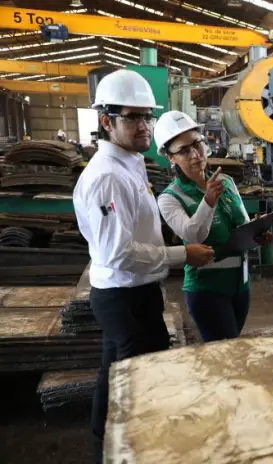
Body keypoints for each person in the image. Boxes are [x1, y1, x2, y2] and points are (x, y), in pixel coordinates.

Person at [73, 70, 214, 460]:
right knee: (138, 385)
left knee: (115, 375)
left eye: (147, 116)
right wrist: (183, 254)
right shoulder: (107, 177)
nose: (144, 126)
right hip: (124, 297)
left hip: (133, 292)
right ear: (106, 121)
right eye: (132, 117)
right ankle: (129, 452)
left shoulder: (129, 166)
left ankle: (105, 446)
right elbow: (117, 253)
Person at [155, 111, 271, 342]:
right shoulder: (170, 198)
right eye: (184, 150)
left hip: (240, 283)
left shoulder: (225, 182)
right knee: (223, 354)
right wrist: (208, 201)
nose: (195, 154)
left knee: (232, 349)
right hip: (207, 288)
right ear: (171, 157)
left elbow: (241, 225)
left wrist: (256, 234)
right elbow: (193, 234)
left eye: (197, 144)